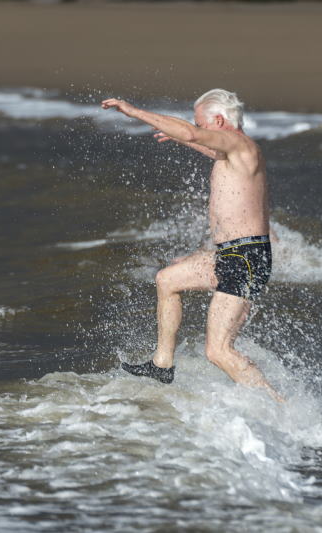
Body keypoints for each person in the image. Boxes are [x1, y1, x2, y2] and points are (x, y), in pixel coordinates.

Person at [101, 89, 282, 402]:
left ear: (220, 120)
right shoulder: (231, 152)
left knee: (218, 351)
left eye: (202, 125)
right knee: (167, 279)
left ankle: (278, 407)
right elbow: (195, 139)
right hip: (232, 254)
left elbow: (189, 132)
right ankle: (162, 364)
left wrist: (134, 111)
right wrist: (183, 138)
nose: (199, 130)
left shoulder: (241, 144)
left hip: (246, 257)